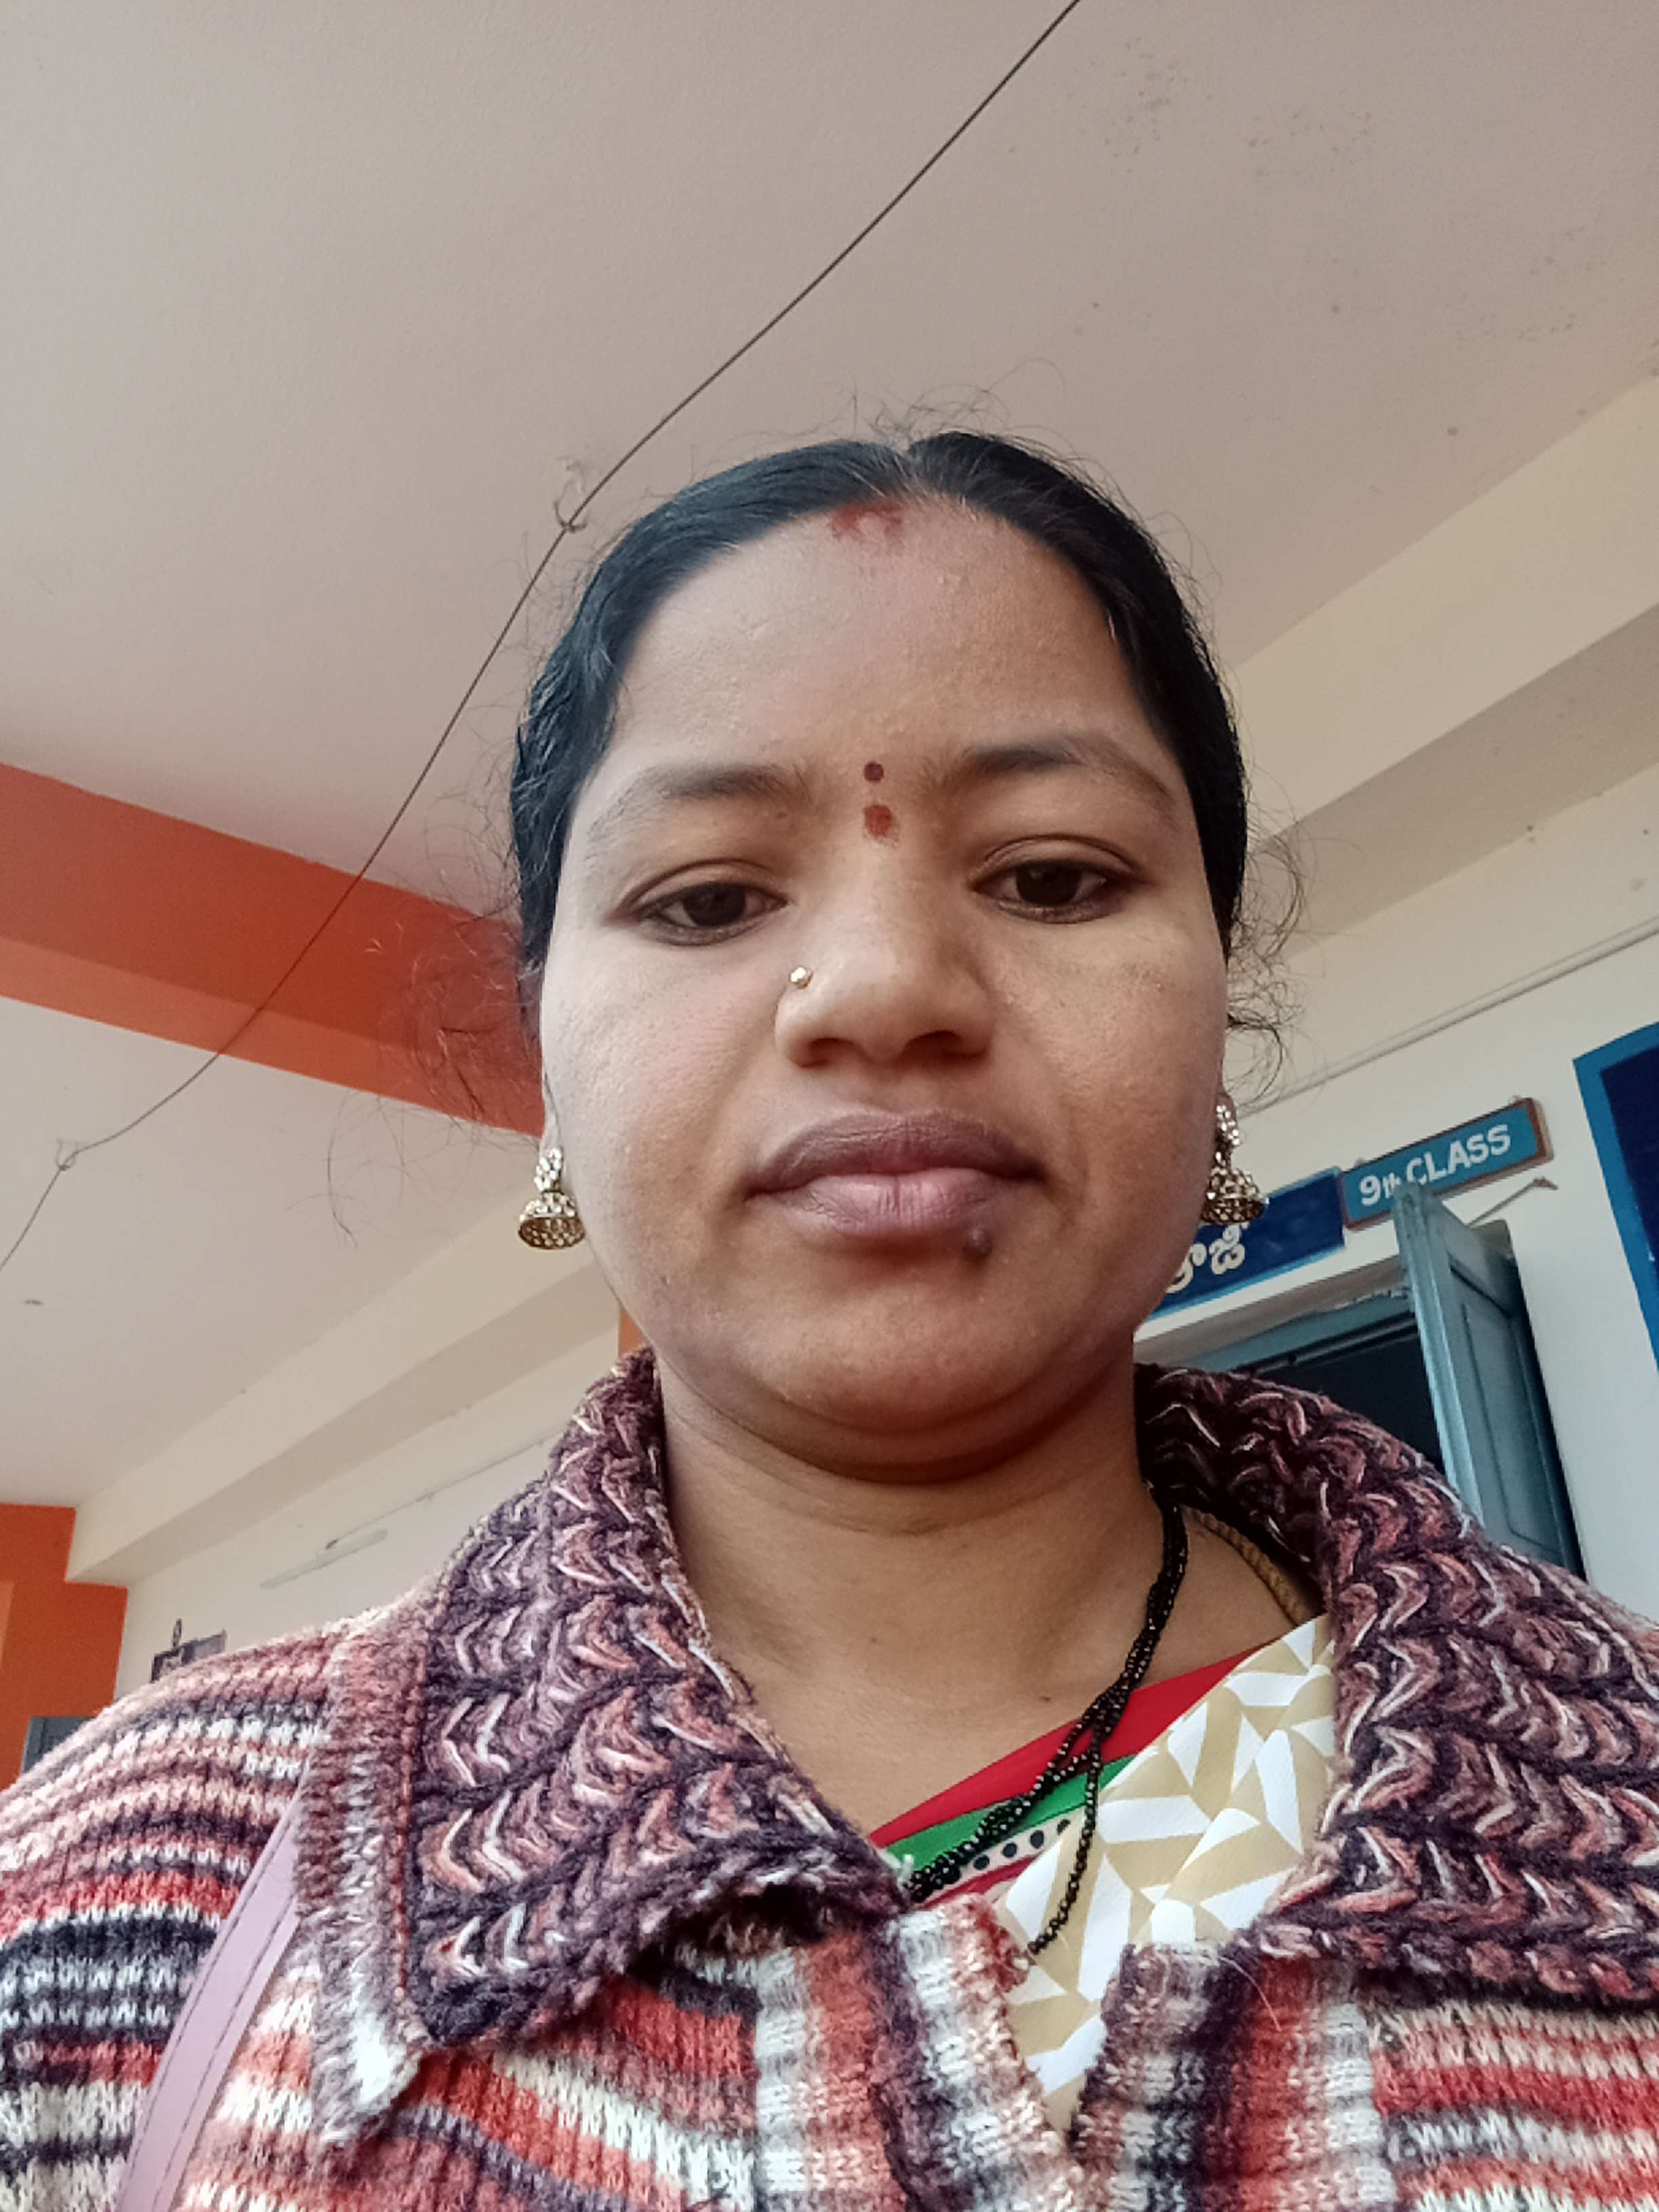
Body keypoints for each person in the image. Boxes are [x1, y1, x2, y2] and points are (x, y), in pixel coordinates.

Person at [4, 434, 1658, 2211]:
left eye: (1052, 877)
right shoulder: (120, 1884)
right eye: (709, 898)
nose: (881, 988)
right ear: (550, 1059)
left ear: (1218, 1015)